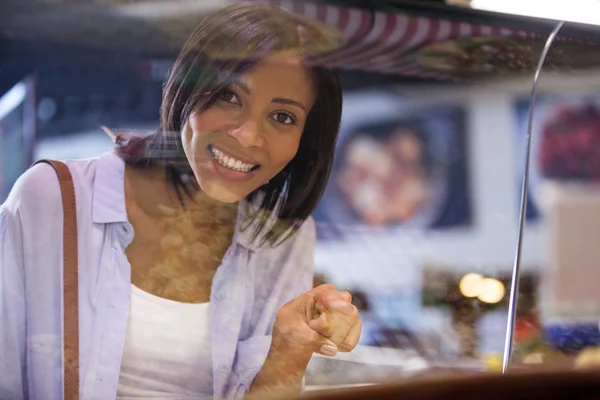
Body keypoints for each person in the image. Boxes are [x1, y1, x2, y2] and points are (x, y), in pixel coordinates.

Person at [0, 4, 361, 400]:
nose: (247, 136)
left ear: (305, 139)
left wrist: (291, 351)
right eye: (229, 95)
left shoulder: (283, 237)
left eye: (282, 117)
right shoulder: (50, 198)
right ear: (188, 87)